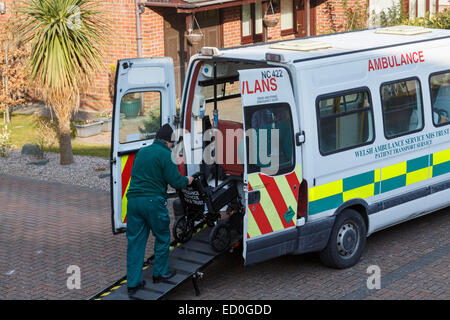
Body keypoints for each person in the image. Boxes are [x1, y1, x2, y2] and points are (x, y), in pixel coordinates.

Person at [125, 123, 193, 296]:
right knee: (162, 236)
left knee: (135, 242)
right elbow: (176, 182)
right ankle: (160, 273)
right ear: (169, 142)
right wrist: (188, 180)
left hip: (133, 201)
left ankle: (133, 283)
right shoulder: (166, 154)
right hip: (152, 202)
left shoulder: (142, 152)